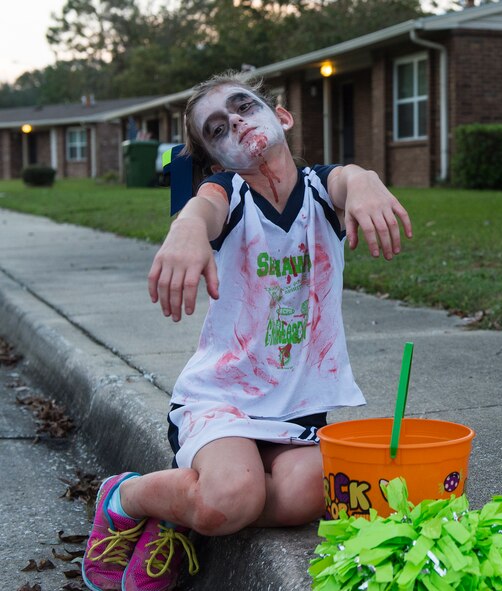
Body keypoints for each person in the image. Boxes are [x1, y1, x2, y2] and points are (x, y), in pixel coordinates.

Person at [81, 70, 412, 591]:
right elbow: (203, 209)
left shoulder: (322, 191)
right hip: (223, 399)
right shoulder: (226, 194)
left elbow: (346, 179)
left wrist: (366, 179)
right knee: (231, 498)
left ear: (281, 116)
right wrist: (186, 229)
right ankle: (129, 497)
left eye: (243, 106)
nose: (234, 121)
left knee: (309, 495)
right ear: (217, 160)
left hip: (296, 405)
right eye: (216, 128)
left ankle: (183, 509)